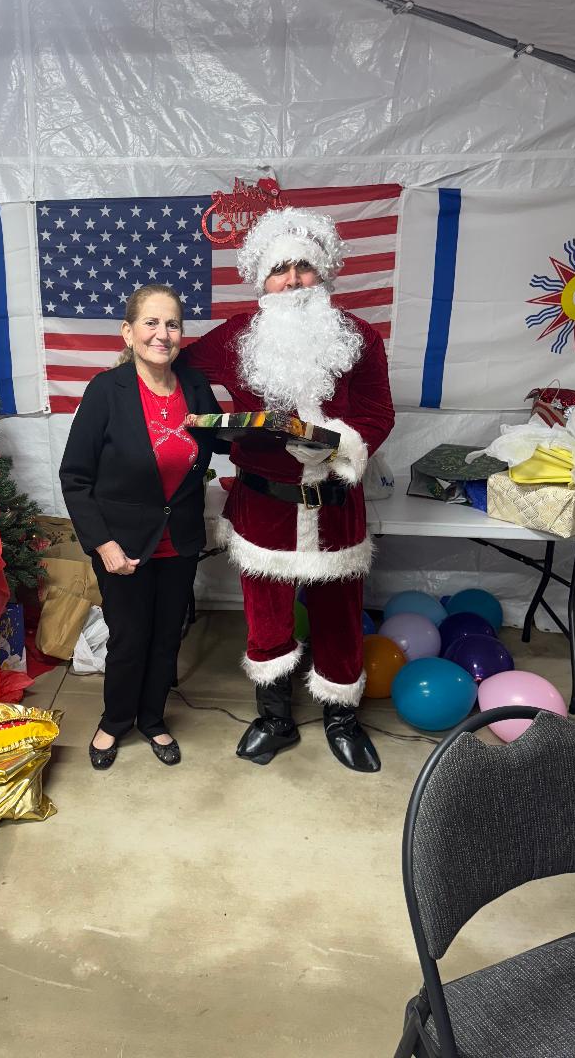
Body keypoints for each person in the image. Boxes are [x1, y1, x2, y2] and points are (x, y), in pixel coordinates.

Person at [180, 207, 395, 773]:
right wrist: (211, 429)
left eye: (304, 267)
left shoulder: (359, 337)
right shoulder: (234, 336)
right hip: (262, 505)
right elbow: (177, 370)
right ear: (262, 279)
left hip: (336, 504)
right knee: (267, 615)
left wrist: (340, 445)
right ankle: (274, 717)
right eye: (280, 270)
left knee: (340, 616)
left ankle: (342, 719)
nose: (293, 280)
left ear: (323, 273)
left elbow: (378, 413)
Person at [59, 284, 222, 770]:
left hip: (180, 539)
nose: (162, 334)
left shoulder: (195, 386)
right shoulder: (106, 391)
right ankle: (115, 721)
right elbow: (75, 477)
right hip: (122, 544)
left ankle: (152, 718)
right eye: (151, 322)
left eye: (172, 324)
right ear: (128, 333)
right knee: (129, 639)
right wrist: (102, 544)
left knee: (168, 636)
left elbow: (225, 439)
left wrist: (275, 430)